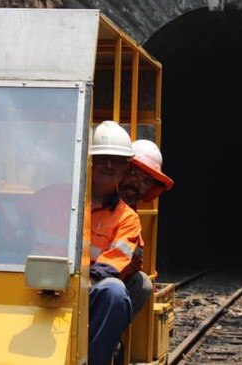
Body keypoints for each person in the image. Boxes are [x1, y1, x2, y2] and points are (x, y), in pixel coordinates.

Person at [88, 120, 142, 365]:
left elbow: (112, 265)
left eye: (116, 160)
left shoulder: (128, 219)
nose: (108, 165)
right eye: (101, 158)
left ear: (125, 168)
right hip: (39, 285)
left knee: (114, 291)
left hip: (87, 291)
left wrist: (78, 286)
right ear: (88, 160)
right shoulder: (57, 196)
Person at [118, 139, 175, 323]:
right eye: (133, 173)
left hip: (104, 281)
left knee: (141, 284)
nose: (137, 184)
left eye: (145, 181)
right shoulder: (93, 199)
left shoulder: (130, 216)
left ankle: (109, 336)